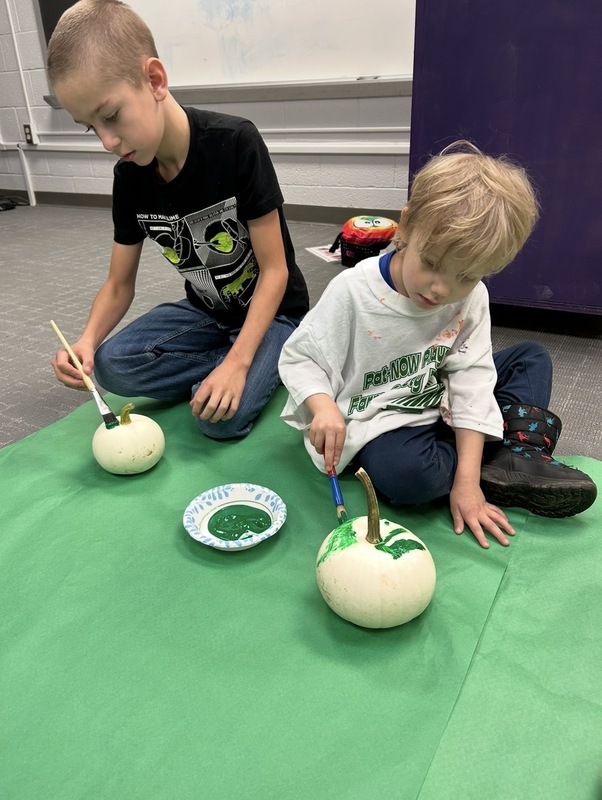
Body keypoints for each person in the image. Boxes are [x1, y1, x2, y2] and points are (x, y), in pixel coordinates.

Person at [278, 141, 597, 548]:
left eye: (466, 276)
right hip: (381, 418)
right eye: (430, 263)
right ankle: (506, 451)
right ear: (407, 226)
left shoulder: (470, 297)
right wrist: (322, 407)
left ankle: (511, 457)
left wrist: (465, 482)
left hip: (438, 392)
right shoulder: (353, 292)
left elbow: (471, 375)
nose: (442, 289)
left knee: (531, 357)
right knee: (409, 478)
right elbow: (301, 358)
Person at [46, 0, 309, 439]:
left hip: (276, 312)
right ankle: (226, 365)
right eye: (90, 127)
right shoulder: (128, 176)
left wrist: (238, 364)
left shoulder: (235, 142)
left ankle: (268, 355)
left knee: (219, 421)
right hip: (207, 312)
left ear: (154, 80)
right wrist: (87, 341)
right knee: (112, 366)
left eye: (110, 116)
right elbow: (118, 284)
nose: (108, 141)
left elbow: (276, 271)